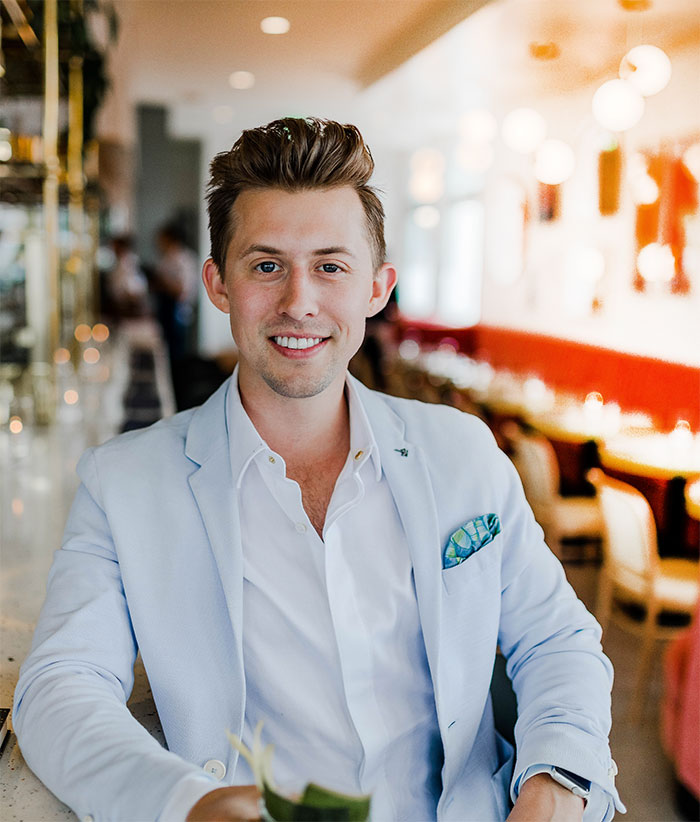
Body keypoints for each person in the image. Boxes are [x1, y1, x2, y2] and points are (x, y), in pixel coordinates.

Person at [14, 118, 625, 822]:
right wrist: (187, 803)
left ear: (377, 287)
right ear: (218, 283)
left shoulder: (462, 451)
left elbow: (556, 639)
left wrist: (555, 787)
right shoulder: (123, 483)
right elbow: (59, 686)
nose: (299, 301)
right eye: (265, 265)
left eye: (331, 266)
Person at [153, 222, 199, 365]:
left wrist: (163, 282)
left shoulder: (184, 259)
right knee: (165, 347)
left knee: (176, 351)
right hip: (165, 307)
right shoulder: (167, 257)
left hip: (176, 309)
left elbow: (182, 289)